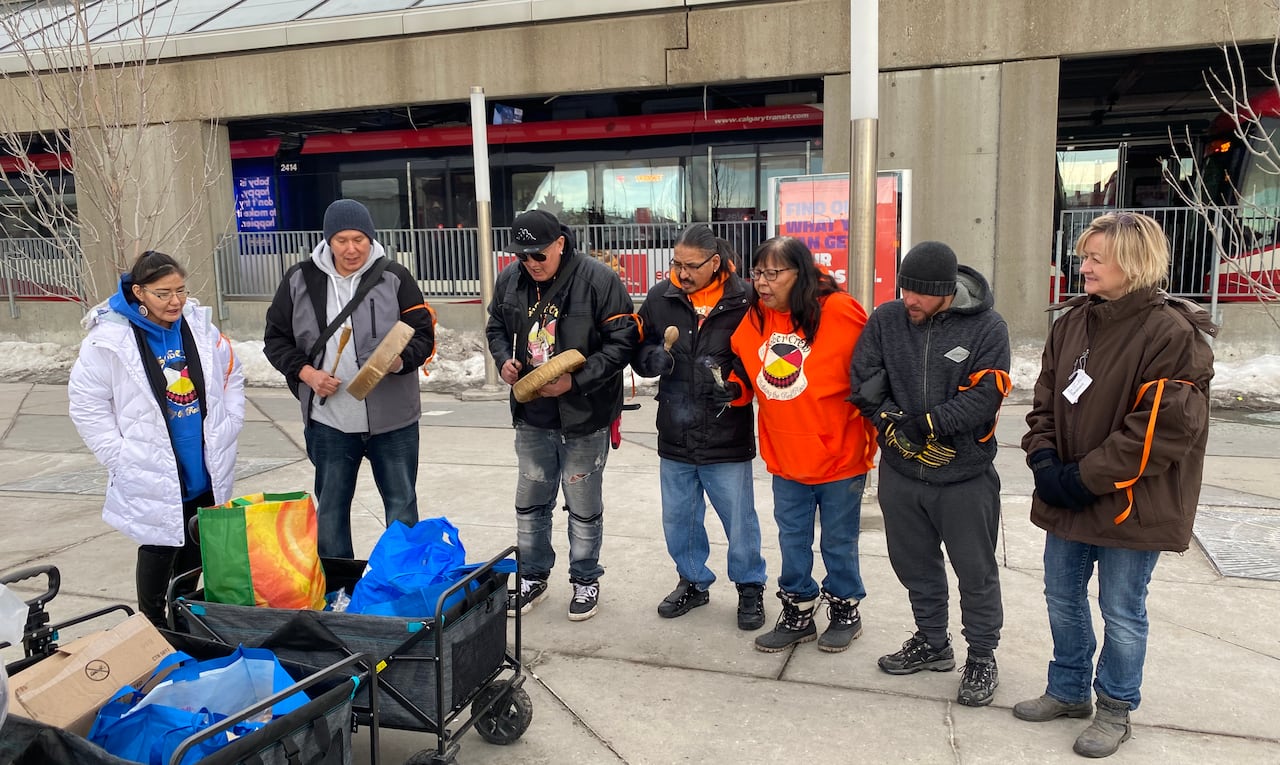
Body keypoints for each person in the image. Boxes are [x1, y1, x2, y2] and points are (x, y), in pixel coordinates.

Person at [1016, 212, 1216, 758]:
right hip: (1068, 493)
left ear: (1132, 262)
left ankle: (1115, 708)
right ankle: (1068, 690)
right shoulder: (1072, 323)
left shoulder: (1173, 333)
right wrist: (1045, 460)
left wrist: (1083, 477)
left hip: (1132, 504)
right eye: (1083, 257)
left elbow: (1160, 430)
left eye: (1094, 258)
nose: (1082, 267)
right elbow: (1044, 402)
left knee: (1122, 611)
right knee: (1061, 598)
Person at [850, 241, 1012, 707]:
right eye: (905, 289)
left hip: (964, 478)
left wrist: (929, 425)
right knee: (914, 566)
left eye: (920, 294)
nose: (909, 301)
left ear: (946, 292)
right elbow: (864, 377)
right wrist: (891, 428)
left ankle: (981, 656)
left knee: (975, 573)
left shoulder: (987, 327)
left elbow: (986, 396)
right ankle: (933, 642)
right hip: (902, 474)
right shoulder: (886, 319)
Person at [69, 251, 245, 627]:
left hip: (203, 460)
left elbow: (232, 371)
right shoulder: (110, 339)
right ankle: (151, 626)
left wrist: (231, 420)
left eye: (180, 290)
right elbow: (87, 405)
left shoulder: (198, 325)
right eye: (163, 293)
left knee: (198, 544)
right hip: (150, 463)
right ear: (139, 292)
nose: (175, 301)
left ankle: (183, 618)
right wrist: (120, 456)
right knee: (159, 545)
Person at [486, 209, 638, 622]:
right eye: (522, 256)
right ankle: (533, 575)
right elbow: (496, 327)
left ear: (560, 244)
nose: (531, 263)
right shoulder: (510, 280)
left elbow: (624, 340)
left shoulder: (598, 280)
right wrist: (504, 361)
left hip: (584, 413)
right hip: (532, 415)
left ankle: (586, 578)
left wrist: (577, 381)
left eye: (539, 255)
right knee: (531, 502)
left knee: (583, 504)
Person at [264, 199, 435, 559]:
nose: (351, 248)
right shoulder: (300, 278)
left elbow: (423, 334)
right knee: (331, 510)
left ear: (371, 238)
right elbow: (274, 339)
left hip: (393, 419)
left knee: (402, 506)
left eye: (359, 238)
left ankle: (400, 581)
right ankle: (338, 589)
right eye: (341, 239)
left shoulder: (395, 276)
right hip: (329, 419)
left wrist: (399, 360)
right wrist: (307, 374)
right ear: (328, 240)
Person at [729, 236, 877, 653]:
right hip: (787, 458)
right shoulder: (757, 317)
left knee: (838, 541)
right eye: (757, 273)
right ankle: (797, 609)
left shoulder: (839, 311)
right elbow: (748, 371)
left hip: (839, 457)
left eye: (773, 274)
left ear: (802, 274)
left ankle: (846, 609)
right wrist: (731, 389)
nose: (761, 283)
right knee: (792, 540)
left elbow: (873, 369)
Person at [631, 223, 768, 630]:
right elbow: (639, 347)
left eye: (691, 266)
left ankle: (749, 586)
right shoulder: (661, 297)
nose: (682, 273)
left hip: (726, 428)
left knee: (739, 519)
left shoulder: (745, 298)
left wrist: (740, 384)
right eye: (676, 263)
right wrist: (649, 359)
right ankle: (693, 580)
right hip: (675, 426)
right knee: (679, 517)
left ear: (715, 263)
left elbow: (761, 352)